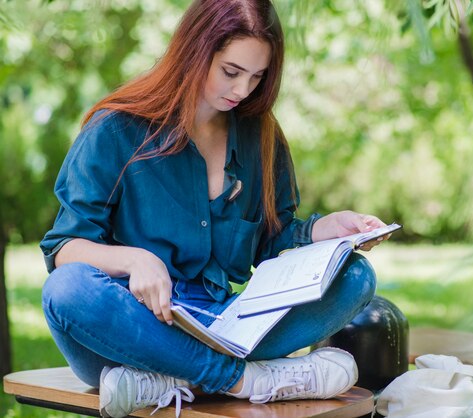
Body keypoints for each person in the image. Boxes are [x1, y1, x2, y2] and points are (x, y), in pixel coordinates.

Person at [39, 1, 388, 417]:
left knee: (356, 276)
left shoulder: (262, 136)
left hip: (229, 323)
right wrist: (134, 260)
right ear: (195, 51)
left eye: (257, 77)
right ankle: (245, 381)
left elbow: (271, 242)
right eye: (231, 71)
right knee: (66, 290)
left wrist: (325, 229)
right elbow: (64, 249)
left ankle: (170, 380)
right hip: (136, 328)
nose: (242, 90)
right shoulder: (117, 129)